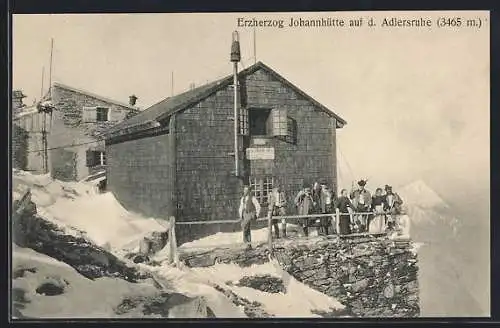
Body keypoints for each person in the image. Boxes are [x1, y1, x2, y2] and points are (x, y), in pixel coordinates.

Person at [238, 185, 261, 249]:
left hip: (251, 213)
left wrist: (257, 215)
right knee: (247, 229)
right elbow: (241, 207)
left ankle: (246, 241)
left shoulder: (252, 198)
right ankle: (249, 245)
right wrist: (241, 215)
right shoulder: (243, 198)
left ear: (249, 191)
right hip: (245, 213)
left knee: (243, 225)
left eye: (246, 190)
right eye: (244, 190)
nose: (245, 191)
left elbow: (258, 206)